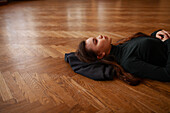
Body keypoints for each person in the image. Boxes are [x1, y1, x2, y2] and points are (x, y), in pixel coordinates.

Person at [65, 29, 170, 86]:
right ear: (101, 55)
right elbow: (167, 74)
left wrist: (157, 33)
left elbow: (151, 48)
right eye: (96, 41)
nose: (100, 36)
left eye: (96, 37)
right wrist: (168, 42)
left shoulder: (122, 44)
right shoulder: (128, 63)